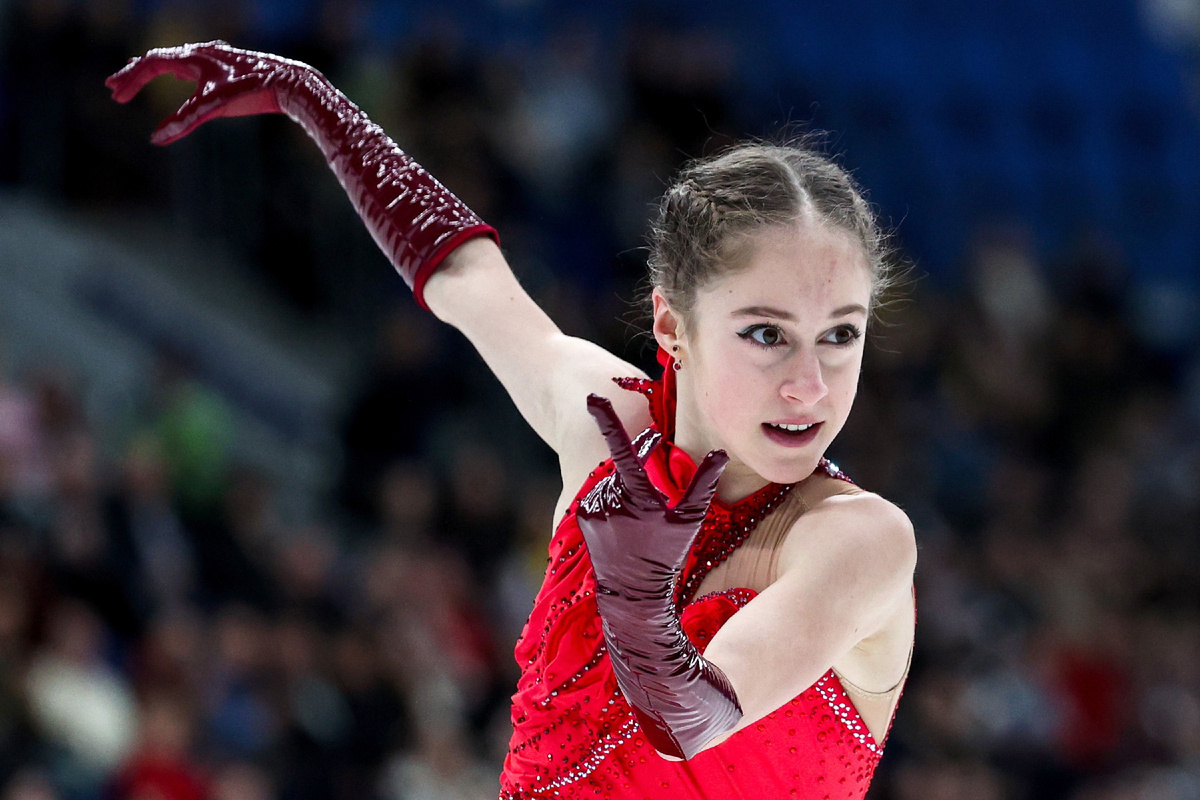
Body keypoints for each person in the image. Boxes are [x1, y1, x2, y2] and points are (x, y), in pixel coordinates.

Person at [106, 41, 917, 799]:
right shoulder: (608, 419)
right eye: (767, 335)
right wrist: (311, 96)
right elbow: (465, 275)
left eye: (840, 336)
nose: (810, 387)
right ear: (673, 326)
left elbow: (688, 722)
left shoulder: (857, 541)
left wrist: (636, 597)